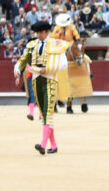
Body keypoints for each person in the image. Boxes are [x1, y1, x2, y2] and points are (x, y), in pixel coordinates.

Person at [15, 20, 69, 155]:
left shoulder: (56, 44)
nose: (38, 35)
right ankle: (54, 145)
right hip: (36, 80)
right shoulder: (32, 45)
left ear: (47, 32)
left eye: (41, 32)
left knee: (48, 112)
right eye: (37, 32)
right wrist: (17, 69)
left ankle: (43, 144)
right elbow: (23, 59)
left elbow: (63, 64)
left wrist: (48, 69)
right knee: (44, 114)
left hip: (50, 79)